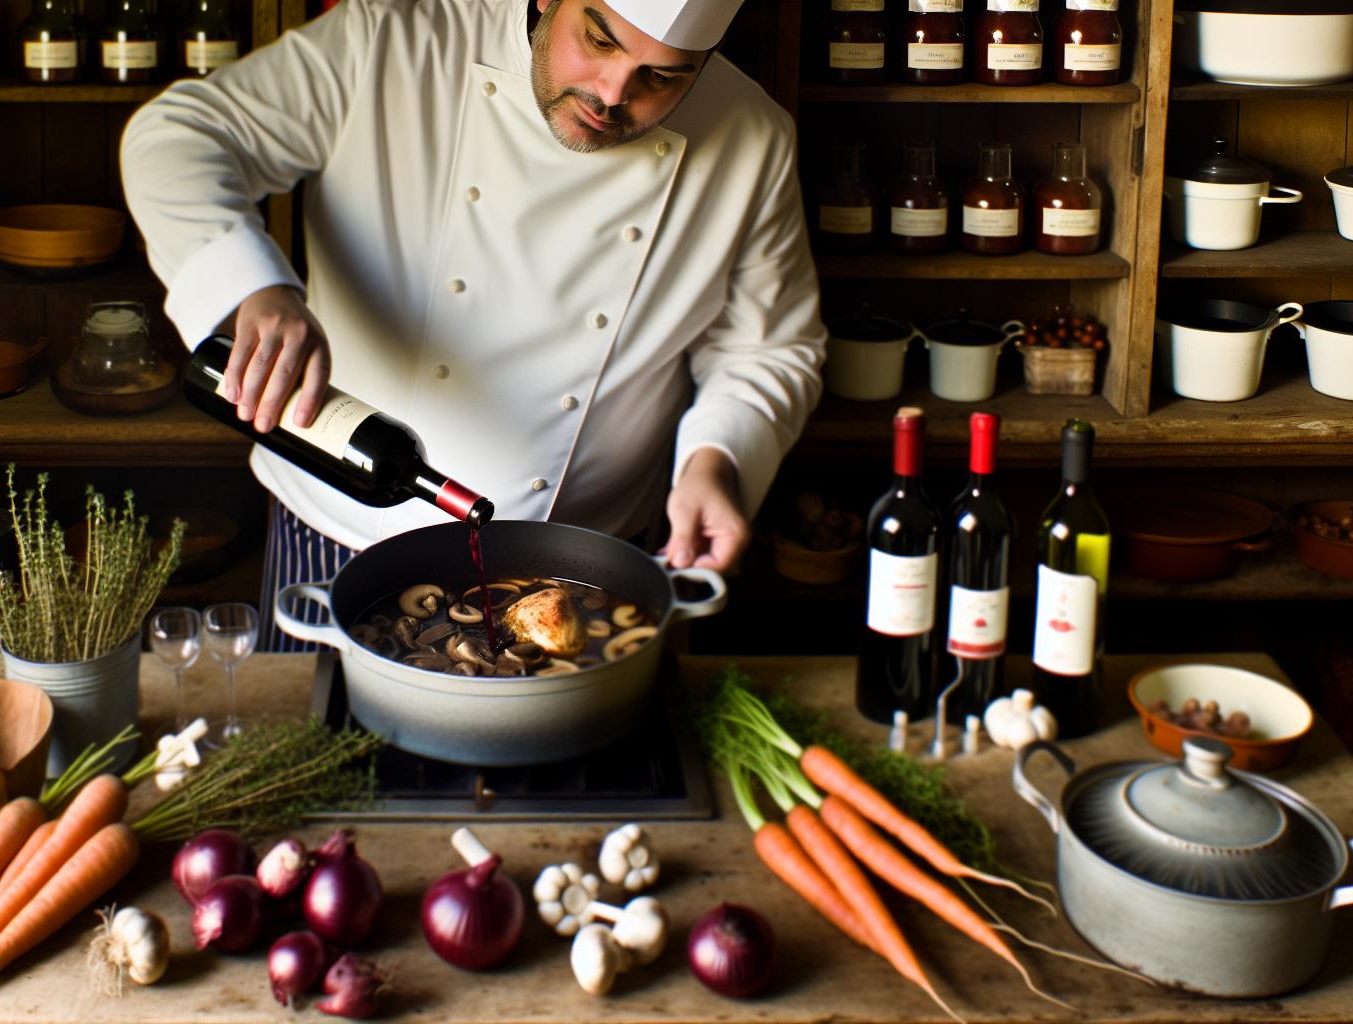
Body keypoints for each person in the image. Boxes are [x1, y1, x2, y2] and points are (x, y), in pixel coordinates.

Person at [122, 0, 826, 649]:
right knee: (313, 769)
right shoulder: (393, 41)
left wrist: (719, 459)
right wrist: (256, 289)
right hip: (341, 537)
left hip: (590, 564)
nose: (613, 93)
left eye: (663, 77)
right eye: (599, 39)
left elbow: (769, 349)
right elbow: (176, 137)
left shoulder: (753, 137)